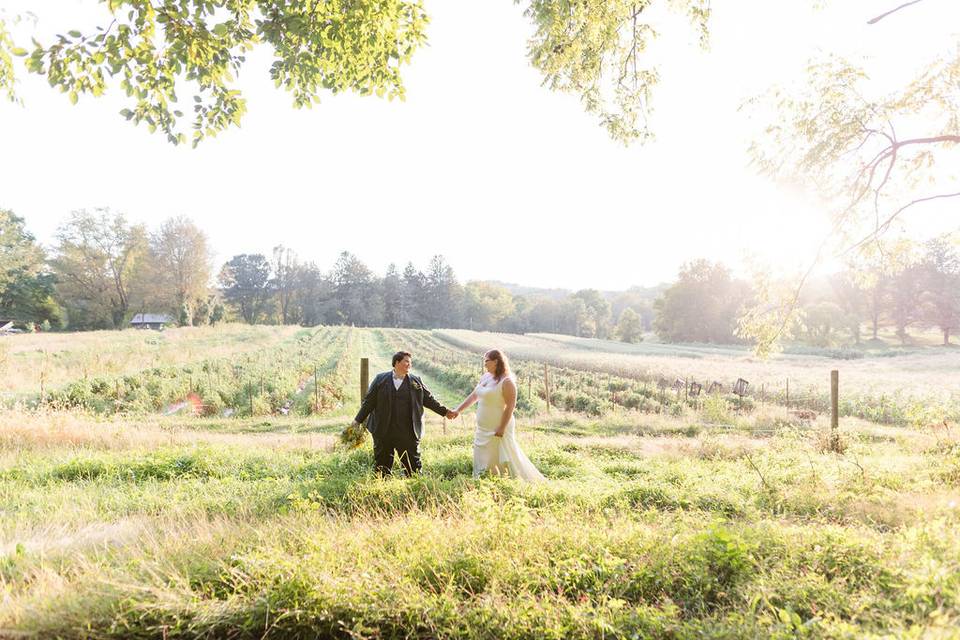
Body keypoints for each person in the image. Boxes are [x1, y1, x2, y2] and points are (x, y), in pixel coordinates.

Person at [350, 351, 457, 476]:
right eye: (406, 361)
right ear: (396, 362)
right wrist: (357, 420)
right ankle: (381, 489)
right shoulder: (380, 380)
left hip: (408, 431)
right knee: (382, 465)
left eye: (410, 363)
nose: (409, 365)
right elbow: (368, 402)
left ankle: (413, 488)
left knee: (413, 466)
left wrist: (445, 412)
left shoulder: (416, 382)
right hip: (384, 429)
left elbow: (429, 400)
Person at [453, 349, 545, 482]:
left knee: (499, 456)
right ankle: (481, 480)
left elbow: (510, 406)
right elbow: (474, 396)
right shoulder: (485, 377)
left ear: (496, 361)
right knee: (482, 456)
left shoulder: (507, 382)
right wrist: (457, 410)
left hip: (498, 427)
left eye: (487, 361)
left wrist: (501, 428)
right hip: (483, 428)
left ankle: (506, 481)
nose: (484, 364)